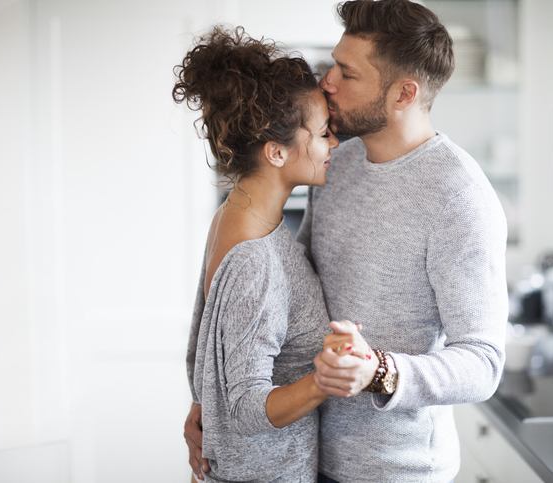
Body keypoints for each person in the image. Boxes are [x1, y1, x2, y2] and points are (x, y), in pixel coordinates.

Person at [185, 0, 508, 481]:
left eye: (346, 73)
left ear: (403, 94)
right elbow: (295, 288)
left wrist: (381, 371)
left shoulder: (458, 197)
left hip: (395, 470)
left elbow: (483, 362)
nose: (327, 82)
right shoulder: (337, 164)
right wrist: (211, 399)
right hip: (307, 454)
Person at [174, 25, 368, 482]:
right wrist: (326, 379)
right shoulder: (254, 259)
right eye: (322, 134)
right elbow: (245, 407)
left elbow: (206, 348)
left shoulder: (234, 214)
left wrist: (203, 405)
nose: (334, 145)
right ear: (276, 153)